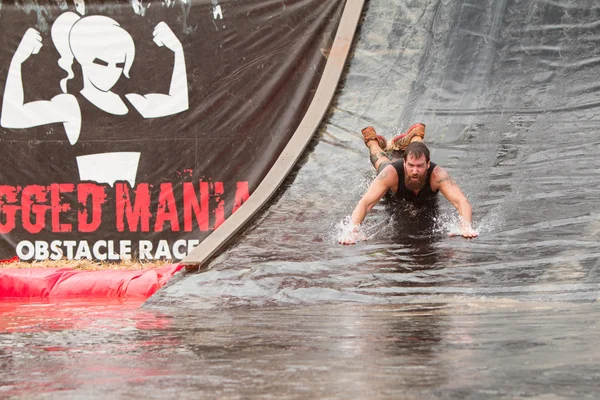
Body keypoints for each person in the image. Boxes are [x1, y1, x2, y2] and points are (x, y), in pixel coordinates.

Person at [339, 123, 478, 245]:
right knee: (381, 161)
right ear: (404, 162)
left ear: (428, 164)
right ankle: (373, 142)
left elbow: (461, 201)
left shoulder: (438, 175)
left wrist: (465, 226)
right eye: (410, 165)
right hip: (391, 179)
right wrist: (353, 230)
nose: (415, 171)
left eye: (420, 166)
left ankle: (415, 138)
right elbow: (366, 202)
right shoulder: (391, 173)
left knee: (419, 151)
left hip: (420, 166)